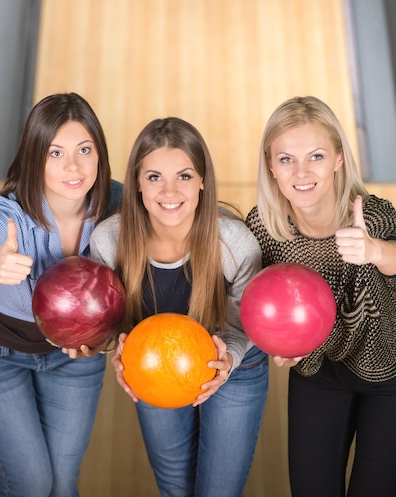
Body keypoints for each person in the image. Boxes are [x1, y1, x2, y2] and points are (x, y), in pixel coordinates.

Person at [245, 95, 396, 497]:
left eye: (315, 156)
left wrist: (374, 250)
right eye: (286, 159)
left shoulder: (369, 214)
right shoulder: (265, 227)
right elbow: (263, 306)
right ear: (270, 166)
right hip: (320, 371)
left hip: (394, 369)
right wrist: (283, 346)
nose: (301, 172)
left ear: (339, 159)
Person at [0, 92, 122, 497]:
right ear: (34, 159)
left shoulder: (118, 203)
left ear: (100, 154)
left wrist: (102, 339)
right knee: (30, 486)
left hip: (72, 359)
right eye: (55, 153)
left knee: (61, 488)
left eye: (84, 150)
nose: (73, 167)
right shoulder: (8, 213)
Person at [90, 117, 269, 497]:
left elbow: (244, 322)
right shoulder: (109, 239)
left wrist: (228, 361)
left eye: (184, 176)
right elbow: (114, 320)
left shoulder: (234, 243)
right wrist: (119, 351)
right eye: (154, 177)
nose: (169, 191)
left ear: (203, 180)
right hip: (157, 365)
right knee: (175, 490)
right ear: (136, 183)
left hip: (235, 365)